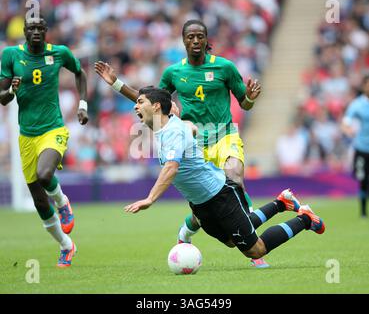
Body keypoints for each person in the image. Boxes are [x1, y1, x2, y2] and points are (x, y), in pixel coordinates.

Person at [94, 19, 270, 267]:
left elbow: (244, 103)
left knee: (235, 178)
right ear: (184, 40)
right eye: (190, 37)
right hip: (195, 143)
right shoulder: (174, 72)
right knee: (206, 209)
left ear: (207, 40)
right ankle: (188, 230)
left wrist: (250, 99)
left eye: (200, 36)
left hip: (224, 134)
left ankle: (255, 249)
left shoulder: (225, 67)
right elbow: (150, 100)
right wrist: (116, 83)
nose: (195, 41)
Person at [124, 87, 325, 265]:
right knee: (231, 241)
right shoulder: (167, 127)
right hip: (200, 204)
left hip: (220, 195)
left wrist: (150, 198)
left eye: (140, 102)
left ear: (157, 106)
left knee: (256, 250)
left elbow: (171, 168)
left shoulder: (173, 132)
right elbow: (191, 128)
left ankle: (305, 219)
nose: (135, 106)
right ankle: (281, 203)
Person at [0, 15, 89, 267]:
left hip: (53, 128)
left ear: (46, 30)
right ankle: (66, 245)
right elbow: (2, 98)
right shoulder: (11, 56)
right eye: (32, 28)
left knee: (45, 173)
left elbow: (80, 73)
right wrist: (11, 91)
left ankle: (62, 202)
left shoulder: (59, 53)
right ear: (25, 32)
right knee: (39, 200)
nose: (36, 31)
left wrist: (82, 104)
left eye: (40, 27)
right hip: (26, 135)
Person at [341, 74, 369, 218]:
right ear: (364, 86)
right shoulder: (357, 104)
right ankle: (363, 212)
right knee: (363, 180)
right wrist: (347, 129)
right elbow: (346, 121)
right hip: (362, 148)